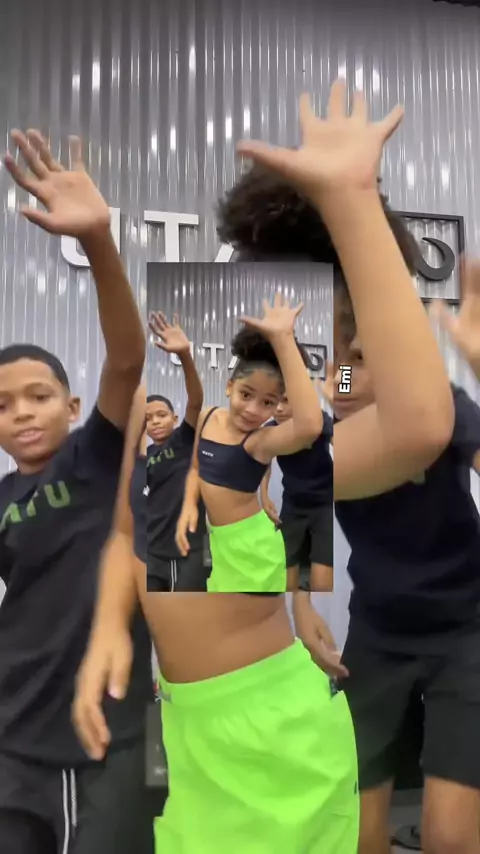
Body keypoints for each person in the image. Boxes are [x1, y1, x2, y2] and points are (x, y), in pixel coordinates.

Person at [0, 131, 155, 853]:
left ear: (71, 407)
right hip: (14, 730)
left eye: (38, 396)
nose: (21, 413)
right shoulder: (5, 495)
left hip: (95, 728)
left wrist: (97, 241)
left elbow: (126, 358)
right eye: (3, 405)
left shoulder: (91, 459)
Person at [175, 296, 323, 593]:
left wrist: (283, 340)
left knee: (310, 587)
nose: (254, 410)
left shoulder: (260, 441)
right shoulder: (207, 417)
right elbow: (195, 469)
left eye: (268, 402)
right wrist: (189, 505)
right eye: (246, 395)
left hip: (257, 547)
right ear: (229, 387)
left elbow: (310, 426)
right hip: (222, 542)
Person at [146, 311, 208, 591]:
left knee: (187, 614)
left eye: (161, 415)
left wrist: (184, 356)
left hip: (187, 548)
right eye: (148, 418)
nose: (155, 421)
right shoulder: (145, 457)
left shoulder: (183, 439)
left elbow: (195, 400)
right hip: (152, 550)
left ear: (174, 418)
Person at [260, 383, 334, 592]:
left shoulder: (319, 420)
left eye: (285, 401)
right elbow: (265, 462)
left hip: (326, 504)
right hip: (293, 505)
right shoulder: (270, 430)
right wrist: (264, 496)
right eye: (273, 402)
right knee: (285, 575)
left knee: (322, 583)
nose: (278, 409)